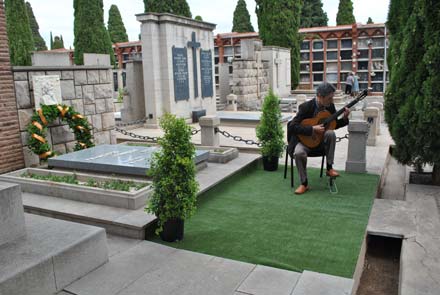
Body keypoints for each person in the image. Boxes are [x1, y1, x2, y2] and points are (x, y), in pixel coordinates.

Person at [287, 82, 350, 194]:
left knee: (330, 133)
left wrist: (344, 119)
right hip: (305, 141)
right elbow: (292, 127)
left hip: (320, 143)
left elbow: (333, 125)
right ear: (320, 96)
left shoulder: (329, 106)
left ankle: (329, 168)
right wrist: (312, 129)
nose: (332, 101)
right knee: (298, 153)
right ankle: (304, 183)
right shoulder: (306, 107)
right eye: (329, 98)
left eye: (332, 98)